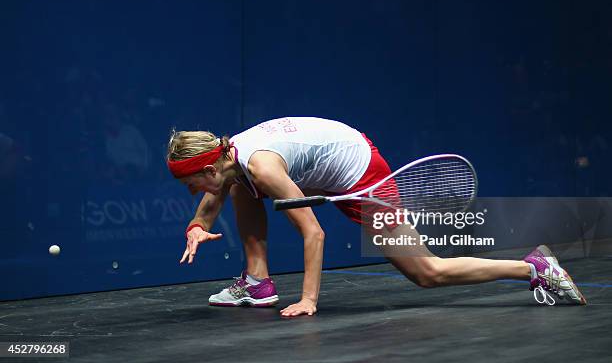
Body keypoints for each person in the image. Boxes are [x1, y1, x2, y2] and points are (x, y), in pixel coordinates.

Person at [166, 117, 586, 317]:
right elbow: (217, 192)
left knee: (426, 272)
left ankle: (533, 268)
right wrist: (197, 225)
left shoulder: (261, 167)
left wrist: (310, 299)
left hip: (362, 171)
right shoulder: (231, 160)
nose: (193, 193)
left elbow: (314, 234)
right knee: (239, 188)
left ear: (207, 168)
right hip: (329, 159)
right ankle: (258, 284)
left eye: (191, 185)